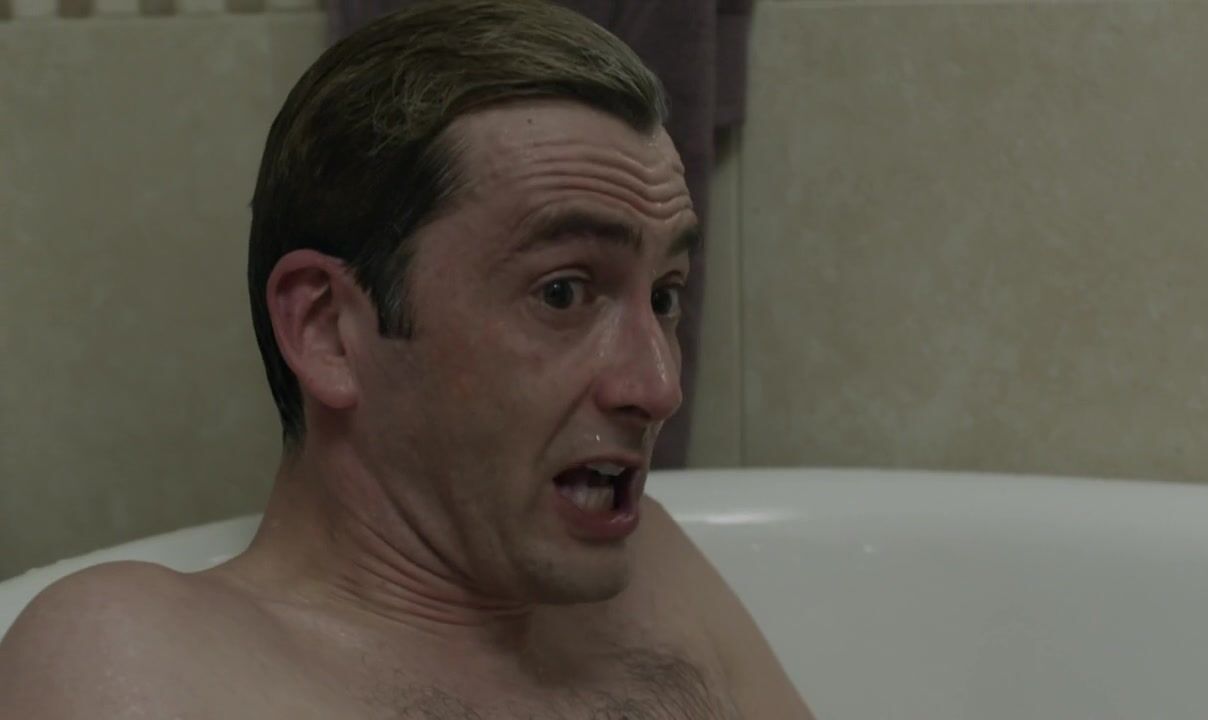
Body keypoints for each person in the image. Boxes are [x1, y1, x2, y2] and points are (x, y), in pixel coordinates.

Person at [0, 1, 814, 717]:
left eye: (665, 296)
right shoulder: (139, 656)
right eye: (563, 293)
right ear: (328, 330)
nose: (658, 385)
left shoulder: (653, 576)